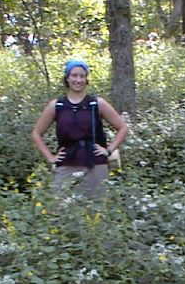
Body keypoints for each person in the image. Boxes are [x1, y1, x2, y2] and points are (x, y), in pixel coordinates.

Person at [31, 59, 128, 198]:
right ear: (67, 78)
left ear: (86, 79)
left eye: (82, 76)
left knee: (97, 210)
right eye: (74, 75)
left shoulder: (96, 103)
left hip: (95, 164)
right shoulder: (57, 106)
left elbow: (122, 128)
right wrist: (51, 157)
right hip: (66, 164)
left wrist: (108, 150)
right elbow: (36, 133)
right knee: (61, 209)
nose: (78, 80)